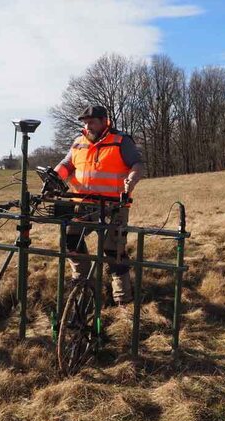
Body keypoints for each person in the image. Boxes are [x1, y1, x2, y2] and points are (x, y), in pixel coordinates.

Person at [53, 105, 144, 306]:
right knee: (70, 240)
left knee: (114, 252)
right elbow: (67, 165)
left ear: (105, 121)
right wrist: (54, 176)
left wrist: (131, 181)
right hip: (83, 204)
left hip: (113, 206)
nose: (88, 126)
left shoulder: (121, 141)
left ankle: (123, 300)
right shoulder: (78, 143)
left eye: (92, 121)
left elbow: (137, 165)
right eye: (85, 122)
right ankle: (83, 284)